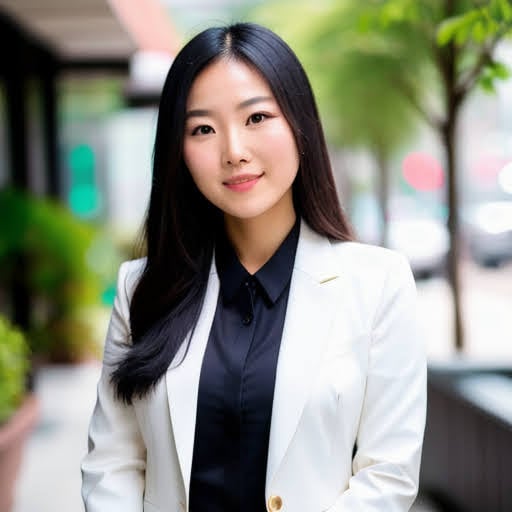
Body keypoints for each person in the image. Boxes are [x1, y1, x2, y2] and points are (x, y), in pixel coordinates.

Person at [81, 22, 426, 512]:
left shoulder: (377, 285)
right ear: (177, 151)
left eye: (257, 117)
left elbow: (387, 476)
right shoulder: (142, 288)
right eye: (203, 128)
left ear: (299, 124)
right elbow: (111, 466)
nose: (234, 152)